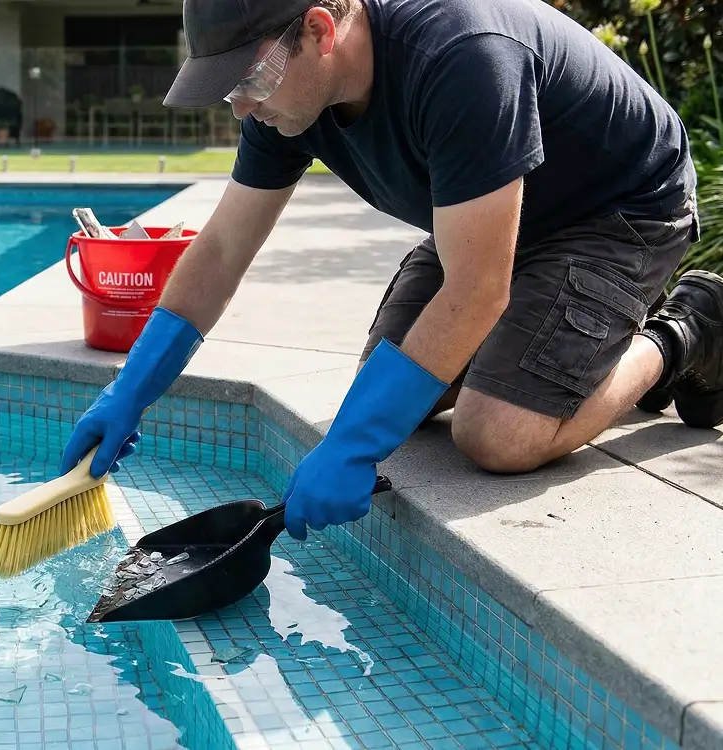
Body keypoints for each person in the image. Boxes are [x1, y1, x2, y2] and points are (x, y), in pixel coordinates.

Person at [60, 0, 715, 542]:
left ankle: (689, 330)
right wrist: (131, 390)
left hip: (618, 211)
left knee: (496, 433)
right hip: (489, 218)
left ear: (319, 29)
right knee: (394, 391)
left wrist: (354, 450)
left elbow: (479, 289)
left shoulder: (462, 58)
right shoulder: (288, 98)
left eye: (247, 83)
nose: (240, 108)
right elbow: (224, 248)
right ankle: (576, 352)